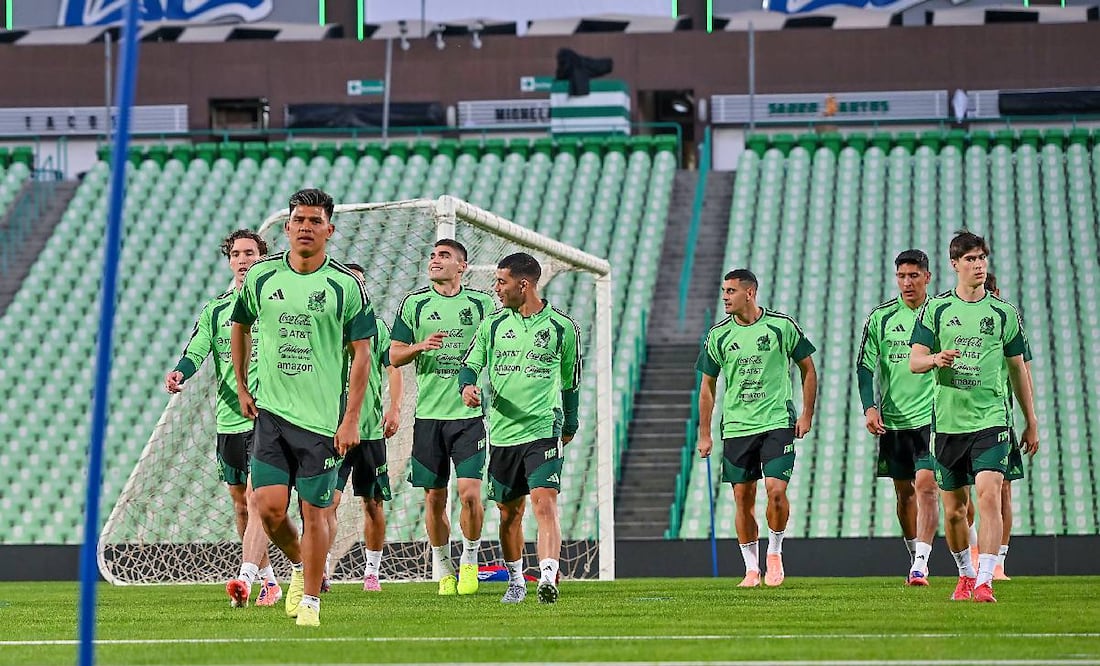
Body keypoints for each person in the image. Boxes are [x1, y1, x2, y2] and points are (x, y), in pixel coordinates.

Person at [230, 188, 377, 626]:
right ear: (288, 227)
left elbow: (362, 354)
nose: (306, 227)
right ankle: (299, 565)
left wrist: (351, 418)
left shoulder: (345, 286)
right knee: (270, 509)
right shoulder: (261, 278)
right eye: (299, 220)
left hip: (320, 422)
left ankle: (310, 602)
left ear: (329, 230)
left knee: (316, 512)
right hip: (271, 416)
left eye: (315, 221)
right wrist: (242, 386)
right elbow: (240, 326)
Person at [909, 231, 1038, 603]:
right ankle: (965, 574)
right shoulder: (935, 310)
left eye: (981, 258)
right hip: (949, 424)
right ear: (955, 265)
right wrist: (935, 359)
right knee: (954, 513)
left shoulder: (1003, 313)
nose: (978, 264)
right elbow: (915, 360)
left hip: (992, 420)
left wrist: (1031, 420)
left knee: (990, 495)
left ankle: (985, 580)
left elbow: (1017, 370)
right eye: (970, 259)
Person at [164, 229, 280, 608]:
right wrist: (181, 371)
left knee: (258, 497)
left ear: (263, 257)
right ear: (229, 260)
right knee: (241, 504)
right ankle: (269, 580)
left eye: (250, 252)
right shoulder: (216, 309)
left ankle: (245, 577)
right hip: (230, 417)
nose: (243, 259)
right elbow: (197, 348)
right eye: (236, 254)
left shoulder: (277, 303)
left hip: (271, 416)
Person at [458, 252, 581, 604]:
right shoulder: (492, 325)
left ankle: (546, 576)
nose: (497, 289)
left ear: (523, 285)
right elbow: (470, 366)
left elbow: (571, 381)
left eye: (502, 282)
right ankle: (515, 580)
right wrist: (466, 387)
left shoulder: (562, 327)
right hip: (503, 433)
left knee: (545, 503)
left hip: (543, 427)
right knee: (510, 513)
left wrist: (570, 422)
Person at [695, 269, 817, 588]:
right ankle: (751, 568)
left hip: (777, 421)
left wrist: (807, 415)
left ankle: (774, 553)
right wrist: (704, 433)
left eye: (731, 291)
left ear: (750, 293)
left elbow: (808, 369)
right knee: (742, 499)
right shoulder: (718, 336)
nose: (725, 296)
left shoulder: (781, 326)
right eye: (724, 290)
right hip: (736, 427)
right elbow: (707, 386)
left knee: (776, 492)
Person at [390, 240, 495, 596]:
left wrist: (482, 387)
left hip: (468, 416)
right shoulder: (414, 303)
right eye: (433, 255)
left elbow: (496, 351)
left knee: (469, 495)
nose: (435, 260)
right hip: (428, 417)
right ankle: (443, 567)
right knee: (434, 499)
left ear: (462, 266)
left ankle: (469, 560)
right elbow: (394, 355)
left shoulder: (482, 305)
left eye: (444, 256)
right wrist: (418, 347)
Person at [856, 250, 939, 586]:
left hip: (934, 417)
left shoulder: (941, 313)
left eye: (914, 276)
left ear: (927, 277)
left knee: (926, 486)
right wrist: (870, 407)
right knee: (904, 494)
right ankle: (914, 554)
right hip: (894, 420)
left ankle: (921, 562)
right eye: (902, 276)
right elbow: (865, 367)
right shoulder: (881, 318)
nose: (907, 282)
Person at [325, 263, 403, 592]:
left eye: (360, 283)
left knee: (372, 503)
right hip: (331, 428)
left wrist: (395, 408)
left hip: (369, 430)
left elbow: (393, 367)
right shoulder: (325, 326)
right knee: (326, 502)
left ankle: (372, 571)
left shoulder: (379, 328)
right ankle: (323, 568)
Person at [981, 272, 1035, 581]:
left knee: (1002, 492)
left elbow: (1024, 373)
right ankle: (977, 555)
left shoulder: (1007, 323)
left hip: (1000, 419)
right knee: (967, 495)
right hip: (962, 423)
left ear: (996, 291)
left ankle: (998, 561)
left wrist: (1031, 421)